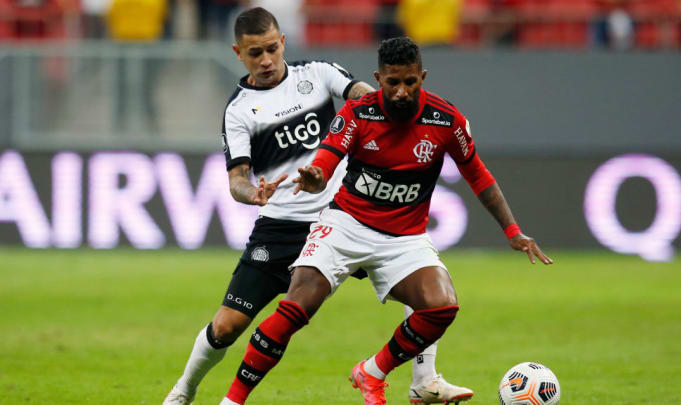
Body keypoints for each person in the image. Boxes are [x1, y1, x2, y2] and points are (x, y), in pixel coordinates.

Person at [162, 9, 472, 405]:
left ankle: (424, 380)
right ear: (239, 53)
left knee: (426, 293)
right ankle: (184, 390)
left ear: (283, 42)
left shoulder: (320, 74)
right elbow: (237, 179)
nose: (267, 60)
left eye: (272, 49)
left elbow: (367, 99)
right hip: (282, 226)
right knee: (226, 326)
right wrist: (252, 194)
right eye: (255, 53)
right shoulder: (239, 110)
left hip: (346, 217)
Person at [221, 36, 553, 405]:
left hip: (404, 236)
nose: (400, 92)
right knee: (296, 306)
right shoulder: (358, 113)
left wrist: (512, 230)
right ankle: (232, 401)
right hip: (346, 223)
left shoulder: (446, 119)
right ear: (378, 78)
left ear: (422, 76)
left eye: (409, 82)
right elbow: (327, 159)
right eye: (392, 82)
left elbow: (478, 175)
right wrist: (315, 177)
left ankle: (372, 372)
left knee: (442, 306)